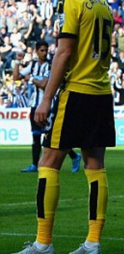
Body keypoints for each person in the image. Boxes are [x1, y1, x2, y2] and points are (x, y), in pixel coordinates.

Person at [7, 0, 115, 254]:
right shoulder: (102, 4)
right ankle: (93, 243)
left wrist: (46, 97)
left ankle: (43, 244)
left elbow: (65, 52)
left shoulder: (72, 1)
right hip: (101, 92)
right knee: (95, 167)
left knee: (48, 162)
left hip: (77, 92)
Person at [13, 42, 83, 174]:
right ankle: (34, 164)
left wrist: (31, 78)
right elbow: (16, 77)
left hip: (48, 106)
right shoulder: (33, 65)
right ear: (36, 52)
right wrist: (17, 61)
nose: (45, 53)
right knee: (36, 136)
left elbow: (44, 84)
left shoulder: (51, 66)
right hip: (35, 105)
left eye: (46, 50)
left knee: (51, 137)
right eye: (42, 51)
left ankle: (74, 156)